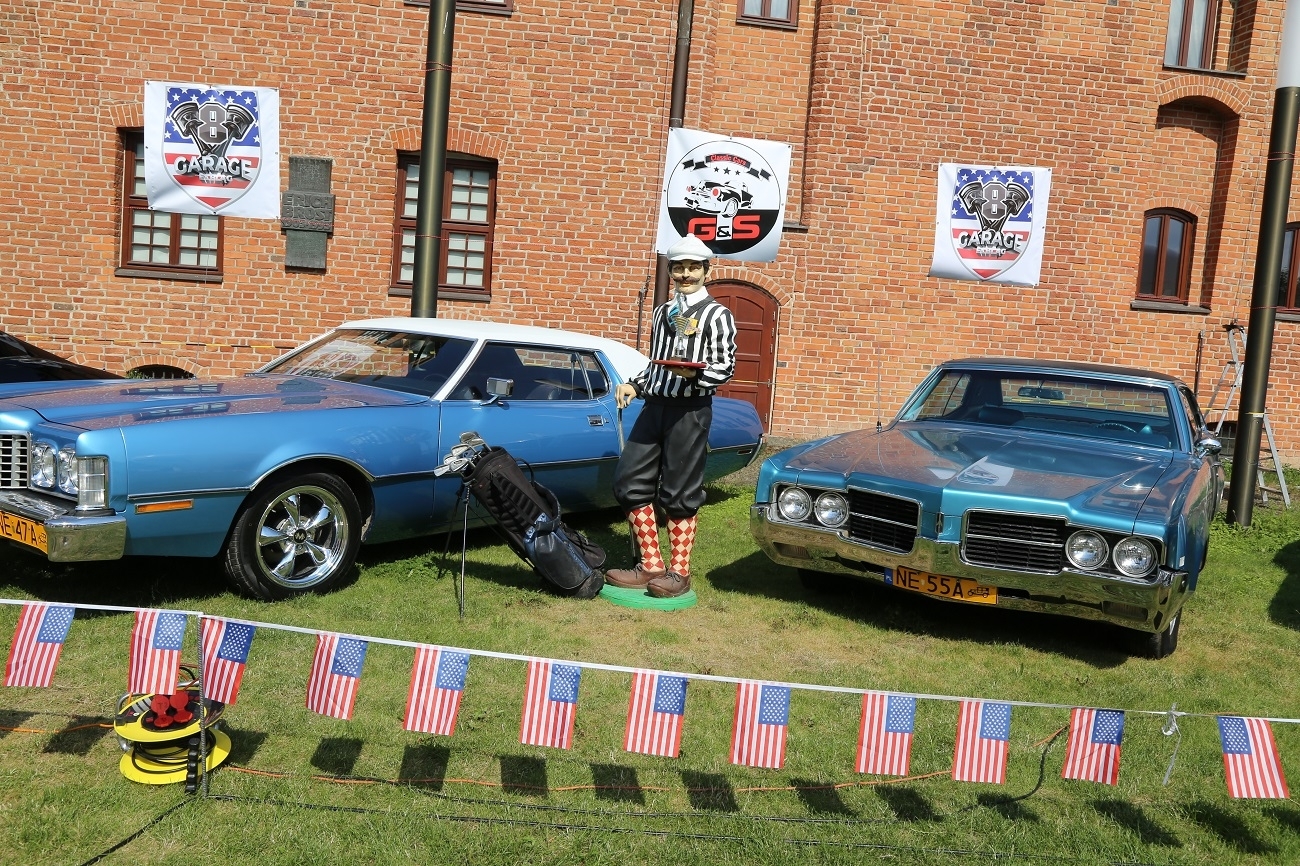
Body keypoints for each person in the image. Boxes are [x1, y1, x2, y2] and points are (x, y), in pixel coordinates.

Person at [606, 234, 737, 598]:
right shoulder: (663, 312)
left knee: (680, 491)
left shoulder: (718, 315)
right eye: (679, 268)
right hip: (655, 406)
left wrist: (694, 376)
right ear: (671, 272)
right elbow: (656, 362)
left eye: (693, 268)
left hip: (690, 410)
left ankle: (679, 573)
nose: (685, 275)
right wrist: (636, 385)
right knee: (629, 482)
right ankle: (651, 564)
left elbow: (725, 366)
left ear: (706, 271)